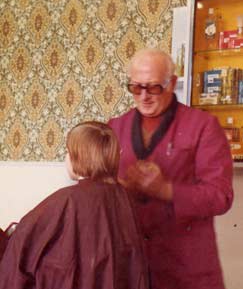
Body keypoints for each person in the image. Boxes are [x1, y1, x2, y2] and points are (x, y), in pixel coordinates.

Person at [108, 48, 233, 289]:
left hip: (187, 269)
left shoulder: (203, 126)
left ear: (172, 83)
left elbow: (221, 196)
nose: (144, 96)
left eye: (154, 87)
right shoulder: (115, 127)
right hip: (131, 266)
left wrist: (165, 190)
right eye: (136, 87)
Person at [0, 121, 149, 289]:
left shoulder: (68, 199)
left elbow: (22, 243)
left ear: (80, 156)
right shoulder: (123, 197)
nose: (66, 157)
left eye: (68, 151)